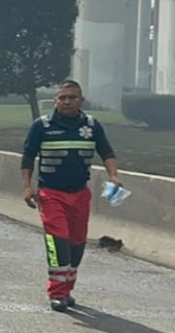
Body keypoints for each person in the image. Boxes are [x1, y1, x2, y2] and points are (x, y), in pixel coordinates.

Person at [21, 80, 121, 312]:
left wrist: (114, 175)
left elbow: (106, 151)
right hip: (50, 194)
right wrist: (27, 187)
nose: (67, 102)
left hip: (79, 194)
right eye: (62, 97)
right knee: (58, 242)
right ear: (55, 100)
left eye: (72, 97)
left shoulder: (91, 126)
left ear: (81, 100)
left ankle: (67, 289)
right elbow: (27, 158)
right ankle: (56, 293)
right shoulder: (42, 126)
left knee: (76, 245)